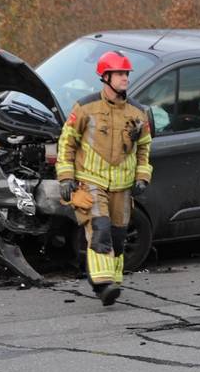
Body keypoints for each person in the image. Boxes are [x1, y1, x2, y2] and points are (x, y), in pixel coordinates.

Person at [55, 51, 152, 306]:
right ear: (105, 77)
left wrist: (143, 176)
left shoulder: (138, 112)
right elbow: (66, 143)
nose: (125, 78)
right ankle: (102, 284)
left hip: (123, 187)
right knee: (100, 230)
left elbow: (144, 148)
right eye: (120, 74)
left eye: (126, 74)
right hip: (91, 182)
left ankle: (113, 280)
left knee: (119, 237)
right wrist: (66, 178)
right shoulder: (85, 108)